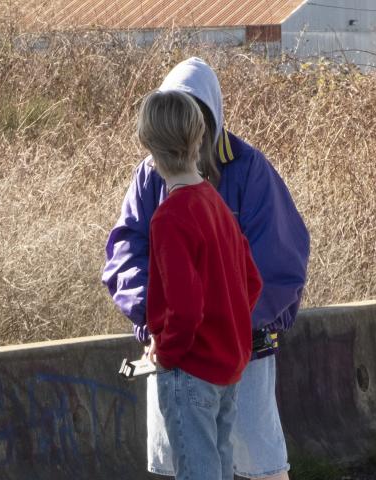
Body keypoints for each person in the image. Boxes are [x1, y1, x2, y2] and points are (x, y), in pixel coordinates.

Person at [103, 57, 310, 480]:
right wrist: (150, 316)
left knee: (246, 468)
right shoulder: (157, 181)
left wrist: (175, 335)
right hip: (225, 350)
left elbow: (279, 263)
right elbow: (126, 254)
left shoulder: (248, 170)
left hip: (223, 353)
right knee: (191, 464)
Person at [136, 89, 264, 480]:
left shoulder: (169, 216)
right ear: (198, 139)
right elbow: (252, 282)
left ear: (150, 147)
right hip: (227, 366)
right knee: (221, 469)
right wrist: (228, 328)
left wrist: (167, 351)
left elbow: (185, 307)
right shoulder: (216, 203)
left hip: (188, 370)